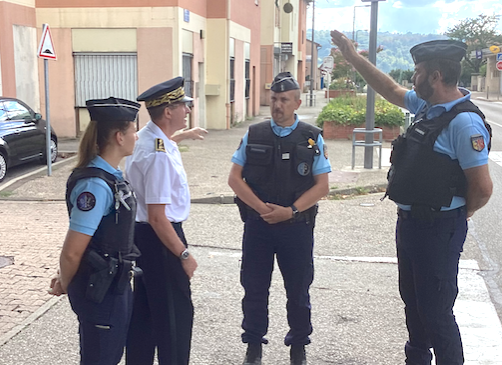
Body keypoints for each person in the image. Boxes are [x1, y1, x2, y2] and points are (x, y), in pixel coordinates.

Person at [331, 31, 493, 364]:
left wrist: (460, 215)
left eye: (418, 71)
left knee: (437, 313)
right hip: (410, 224)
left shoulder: (464, 123)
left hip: (439, 228)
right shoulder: (428, 106)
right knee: (414, 304)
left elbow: (483, 188)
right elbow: (389, 88)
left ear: (436, 76)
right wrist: (353, 57)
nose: (412, 77)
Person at [228, 71, 332, 365]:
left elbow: (322, 185)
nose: (277, 105)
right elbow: (235, 179)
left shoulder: (312, 137)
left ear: (297, 102)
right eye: (274, 99)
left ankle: (298, 344)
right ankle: (253, 345)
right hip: (258, 226)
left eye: (284, 100)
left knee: (298, 289)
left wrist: (291, 211)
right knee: (254, 288)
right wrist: (262, 209)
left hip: (296, 227)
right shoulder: (254, 133)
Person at [49, 96, 141, 365]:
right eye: (133, 130)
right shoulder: (95, 185)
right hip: (99, 290)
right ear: (119, 137)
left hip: (114, 284)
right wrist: (66, 281)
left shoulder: (112, 176)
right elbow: (72, 252)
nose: (137, 136)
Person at [125, 77, 207, 365]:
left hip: (142, 238)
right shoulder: (158, 155)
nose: (187, 110)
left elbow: (162, 143)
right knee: (175, 319)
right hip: (162, 240)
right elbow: (159, 217)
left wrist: (184, 135)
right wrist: (183, 254)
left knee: (145, 317)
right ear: (168, 111)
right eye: (183, 105)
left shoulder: (146, 139)